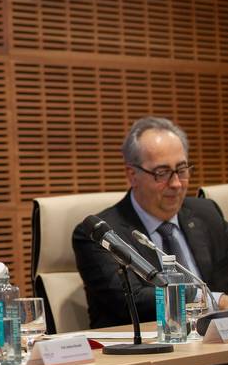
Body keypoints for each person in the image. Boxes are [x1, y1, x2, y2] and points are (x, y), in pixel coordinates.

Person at [72, 116, 228, 328]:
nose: (176, 184)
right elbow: (132, 299)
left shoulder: (206, 214)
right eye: (162, 173)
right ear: (132, 175)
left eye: (182, 170)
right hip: (150, 351)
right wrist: (213, 300)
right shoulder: (101, 234)